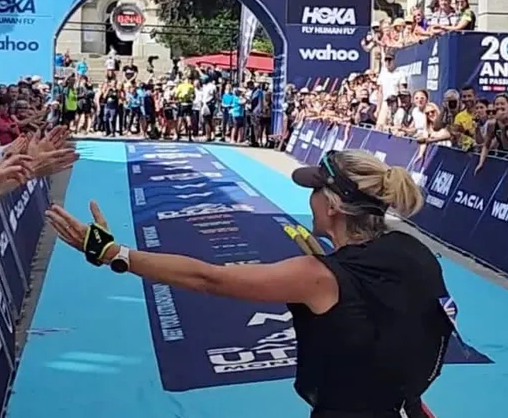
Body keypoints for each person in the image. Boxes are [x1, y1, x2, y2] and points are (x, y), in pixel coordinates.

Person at [45, 150, 454, 418]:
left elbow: (210, 279)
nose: (309, 199)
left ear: (331, 206)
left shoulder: (317, 276)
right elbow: (412, 329)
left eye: (314, 191)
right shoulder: (412, 251)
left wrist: (114, 253)